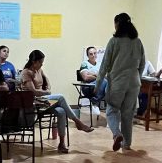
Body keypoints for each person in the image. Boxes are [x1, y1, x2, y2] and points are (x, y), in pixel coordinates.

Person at [20, 50, 94, 153]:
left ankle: (62, 143)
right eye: (40, 62)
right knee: (60, 97)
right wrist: (46, 92)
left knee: (61, 111)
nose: (42, 64)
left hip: (43, 101)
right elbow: (33, 92)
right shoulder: (26, 72)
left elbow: (47, 83)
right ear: (34, 62)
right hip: (34, 103)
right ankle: (78, 122)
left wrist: (47, 90)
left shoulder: (39, 70)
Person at [96, 13, 145, 152]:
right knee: (127, 114)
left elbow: (104, 65)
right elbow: (142, 64)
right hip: (134, 83)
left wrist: (98, 84)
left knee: (111, 110)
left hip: (118, 82)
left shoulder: (114, 41)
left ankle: (117, 134)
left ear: (117, 24)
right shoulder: (137, 41)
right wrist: (137, 78)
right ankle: (127, 144)